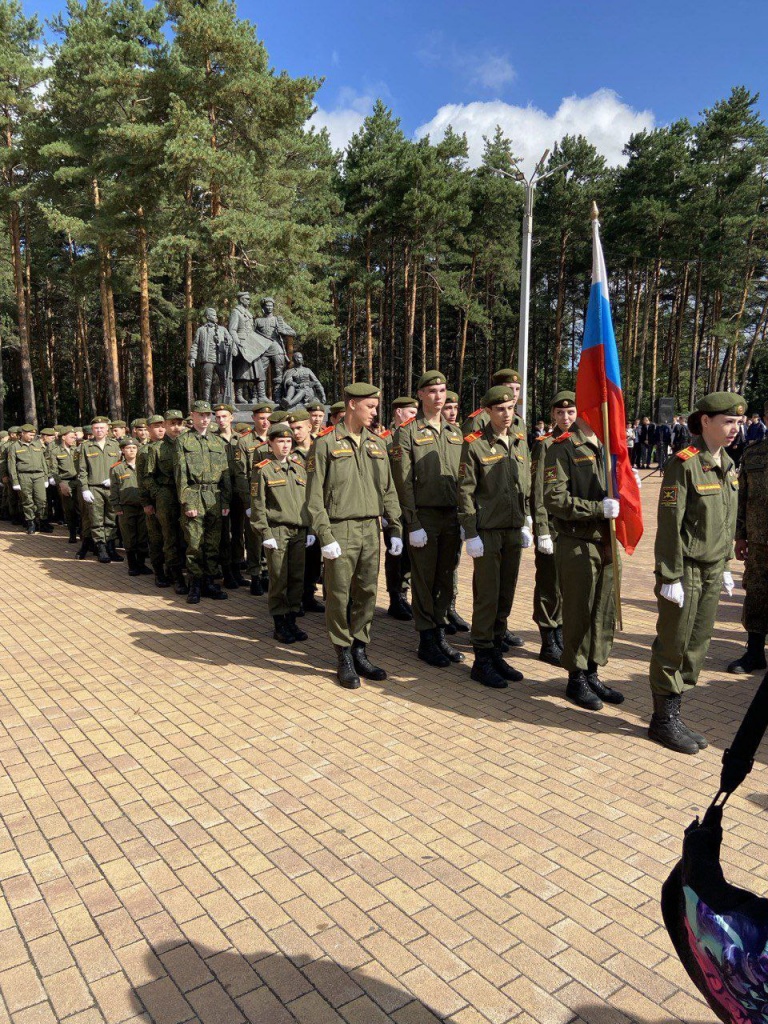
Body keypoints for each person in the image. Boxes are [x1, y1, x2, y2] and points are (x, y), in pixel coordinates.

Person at [647, 392, 743, 754]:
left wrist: (729, 565)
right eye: (728, 421)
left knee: (698, 644)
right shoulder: (684, 464)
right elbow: (669, 524)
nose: (736, 428)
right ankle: (662, 720)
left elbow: (728, 520)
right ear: (706, 422)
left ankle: (675, 713)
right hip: (686, 569)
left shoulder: (728, 463)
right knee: (674, 643)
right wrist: (670, 575)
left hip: (714, 568)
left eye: (738, 422)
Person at [305, 382, 402, 689]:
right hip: (340, 528)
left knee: (366, 592)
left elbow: (387, 489)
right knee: (338, 594)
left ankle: (361, 649)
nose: (375, 411)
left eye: (376, 406)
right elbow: (314, 498)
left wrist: (395, 526)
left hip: (370, 529)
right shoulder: (325, 444)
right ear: (351, 405)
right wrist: (325, 535)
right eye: (370, 406)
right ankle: (343, 654)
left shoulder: (377, 444)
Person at [543, 415, 625, 711]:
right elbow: (553, 498)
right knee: (579, 610)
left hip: (606, 541)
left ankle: (592, 671)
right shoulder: (562, 448)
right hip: (578, 541)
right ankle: (575, 676)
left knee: (603, 611)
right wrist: (595, 508)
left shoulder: (608, 443)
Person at [458, 385, 532, 689]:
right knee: (487, 596)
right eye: (499, 409)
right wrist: (471, 533)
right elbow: (465, 491)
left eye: (510, 408)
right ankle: (482, 659)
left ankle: (497, 650)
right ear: (487, 411)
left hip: (513, 529)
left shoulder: (519, 441)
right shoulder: (474, 444)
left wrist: (527, 519)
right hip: (487, 532)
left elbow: (525, 482)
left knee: (506, 594)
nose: (506, 414)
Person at [392, 370, 464, 668]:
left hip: (452, 516)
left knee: (446, 578)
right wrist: (413, 522)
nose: (439, 396)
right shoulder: (407, 432)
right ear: (420, 395)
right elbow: (403, 482)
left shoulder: (455, 432)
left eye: (443, 390)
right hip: (425, 516)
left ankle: (439, 632)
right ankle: (426, 638)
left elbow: (465, 478)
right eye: (432, 391)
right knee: (424, 580)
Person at [251, 422, 314, 643]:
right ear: (270, 443)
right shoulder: (263, 470)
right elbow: (258, 505)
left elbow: (307, 501)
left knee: (297, 577)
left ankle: (292, 620)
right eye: (280, 441)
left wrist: (310, 528)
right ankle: (279, 623)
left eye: (288, 441)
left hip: (299, 531)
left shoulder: (299, 467)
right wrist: (265, 533)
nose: (286, 445)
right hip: (277, 530)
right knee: (279, 578)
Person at [530, 391, 577, 665]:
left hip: (571, 527)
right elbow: (538, 490)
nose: (566, 417)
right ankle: (548, 639)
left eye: (570, 412)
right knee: (549, 583)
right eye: (560, 413)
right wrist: (541, 529)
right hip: (551, 526)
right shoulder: (544, 445)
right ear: (552, 416)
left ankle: (559, 632)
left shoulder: (579, 443)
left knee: (564, 585)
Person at [174, 400, 232, 604]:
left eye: (208, 415)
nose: (205, 418)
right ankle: (195, 584)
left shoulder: (217, 442)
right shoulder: (183, 441)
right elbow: (181, 475)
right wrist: (188, 503)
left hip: (215, 496)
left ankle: (209, 582)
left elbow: (225, 476)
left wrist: (225, 502)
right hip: (195, 496)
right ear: (193, 416)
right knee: (195, 543)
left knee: (212, 544)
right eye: (201, 415)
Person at [726, 399, 768, 676]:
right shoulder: (754, 454)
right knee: (756, 592)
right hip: (759, 538)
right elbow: (742, 499)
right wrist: (740, 536)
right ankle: (754, 653)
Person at [143, 410, 188, 595]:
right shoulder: (156, 448)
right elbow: (147, 477)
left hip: (186, 496)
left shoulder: (189, 444)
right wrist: (159, 494)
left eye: (179, 423)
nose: (176, 427)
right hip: (167, 496)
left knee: (187, 536)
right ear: (165, 425)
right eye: (172, 424)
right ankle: (176, 576)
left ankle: (185, 571)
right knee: (170, 538)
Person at [286, 407, 324, 613]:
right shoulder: (289, 453)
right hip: (299, 512)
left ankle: (309, 596)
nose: (296, 432)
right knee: (298, 559)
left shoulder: (321, 447)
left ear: (310, 426)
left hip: (319, 511)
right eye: (292, 428)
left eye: (299, 427)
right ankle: (296, 599)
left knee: (315, 558)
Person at [384, 397, 418, 621]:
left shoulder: (416, 436)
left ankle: (404, 595)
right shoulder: (384, 440)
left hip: (413, 505)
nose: (414, 417)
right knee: (395, 554)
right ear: (398, 413)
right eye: (410, 412)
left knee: (410, 556)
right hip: (394, 507)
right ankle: (395, 598)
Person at [441, 390, 469, 633]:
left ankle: (450, 607)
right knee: (435, 569)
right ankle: (437, 615)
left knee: (453, 563)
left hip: (455, 510)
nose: (451, 412)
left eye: (455, 407)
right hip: (433, 511)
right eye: (447, 407)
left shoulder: (459, 435)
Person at [77, 416, 123, 563]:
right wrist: (85, 488)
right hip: (94, 488)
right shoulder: (85, 446)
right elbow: (82, 470)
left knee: (111, 519)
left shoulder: (115, 445)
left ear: (107, 429)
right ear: (92, 430)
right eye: (96, 428)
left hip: (111, 488)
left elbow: (120, 465)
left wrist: (114, 479)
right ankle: (101, 548)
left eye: (102, 427)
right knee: (96, 520)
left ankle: (111, 547)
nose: (99, 430)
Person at [213, 404, 247, 590]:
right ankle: (227, 572)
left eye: (224, 416)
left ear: (231, 418)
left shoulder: (240, 440)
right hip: (220, 492)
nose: (221, 420)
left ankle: (237, 569)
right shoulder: (213, 440)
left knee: (238, 532)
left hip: (238, 492)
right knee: (224, 534)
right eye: (217, 417)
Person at [110, 438, 152, 576]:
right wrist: (117, 507)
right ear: (122, 450)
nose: (131, 450)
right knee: (129, 537)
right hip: (126, 508)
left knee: (142, 537)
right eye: (128, 448)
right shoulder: (117, 468)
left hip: (143, 507)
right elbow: (114, 490)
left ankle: (141, 565)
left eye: (134, 448)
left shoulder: (144, 466)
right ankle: (132, 565)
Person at [137, 415, 169, 587]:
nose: (161, 429)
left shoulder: (171, 446)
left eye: (162, 426)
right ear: (148, 429)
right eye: (156, 427)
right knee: (156, 539)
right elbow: (142, 480)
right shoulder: (144, 451)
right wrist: (146, 503)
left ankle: (171, 569)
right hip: (154, 503)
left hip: (170, 502)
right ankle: (159, 572)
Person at [7, 425, 49, 534]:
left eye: (33, 435)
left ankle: (43, 522)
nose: (32, 437)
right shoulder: (15, 446)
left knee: (42, 500)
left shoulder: (37, 445)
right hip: (24, 476)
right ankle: (31, 523)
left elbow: (43, 461)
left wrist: (45, 478)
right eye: (30, 435)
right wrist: (15, 481)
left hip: (39, 475)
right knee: (27, 500)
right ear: (23, 433)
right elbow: (11, 465)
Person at [52, 427, 80, 543]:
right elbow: (54, 470)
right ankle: (72, 533)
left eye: (75, 437)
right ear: (63, 437)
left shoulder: (78, 450)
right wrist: (61, 484)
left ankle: (83, 533)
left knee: (81, 508)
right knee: (69, 509)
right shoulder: (55, 451)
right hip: (66, 482)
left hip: (78, 481)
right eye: (72, 437)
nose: (74, 439)